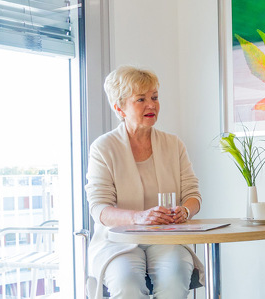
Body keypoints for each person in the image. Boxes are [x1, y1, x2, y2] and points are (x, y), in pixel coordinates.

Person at [85, 66, 204, 299]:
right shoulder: (103, 147)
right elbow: (99, 208)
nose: (152, 105)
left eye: (155, 97)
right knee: (127, 282)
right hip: (118, 240)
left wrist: (185, 211)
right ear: (120, 108)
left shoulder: (173, 144)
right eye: (141, 99)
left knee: (175, 278)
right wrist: (138, 217)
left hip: (166, 238)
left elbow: (193, 194)